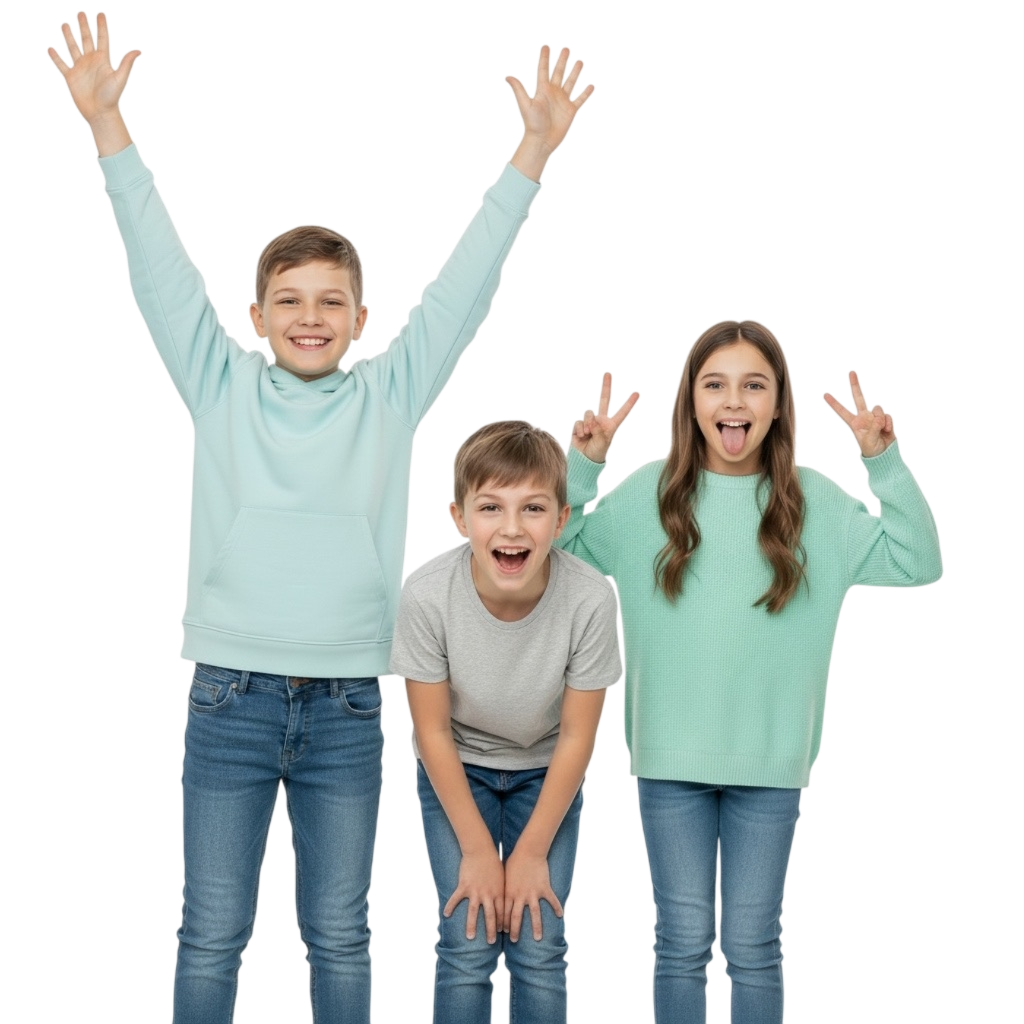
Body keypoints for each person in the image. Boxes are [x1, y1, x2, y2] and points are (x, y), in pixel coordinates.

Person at [46, 11, 596, 1023]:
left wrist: (531, 155)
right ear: (255, 316)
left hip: (347, 705)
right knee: (212, 929)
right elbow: (159, 267)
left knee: (339, 931)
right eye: (290, 300)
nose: (311, 316)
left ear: (362, 319)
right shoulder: (218, 383)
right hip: (228, 699)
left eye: (332, 301)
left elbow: (465, 287)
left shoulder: (390, 394)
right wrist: (107, 129)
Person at [562, 321, 944, 1022]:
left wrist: (883, 461)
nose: (734, 400)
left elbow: (921, 562)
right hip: (668, 760)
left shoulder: (818, 502)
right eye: (715, 384)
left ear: (777, 405)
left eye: (753, 385)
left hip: (771, 763)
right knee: (681, 942)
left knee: (751, 944)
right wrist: (582, 468)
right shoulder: (647, 494)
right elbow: (554, 547)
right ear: (691, 400)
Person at [389, 419, 623, 1023]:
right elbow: (431, 731)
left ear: (561, 520)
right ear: (459, 517)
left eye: (533, 508)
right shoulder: (425, 594)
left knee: (538, 938)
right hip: (456, 768)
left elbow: (578, 735)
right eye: (491, 507)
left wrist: (530, 852)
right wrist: (476, 850)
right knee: (467, 937)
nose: (513, 527)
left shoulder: (591, 598)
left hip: (545, 771)